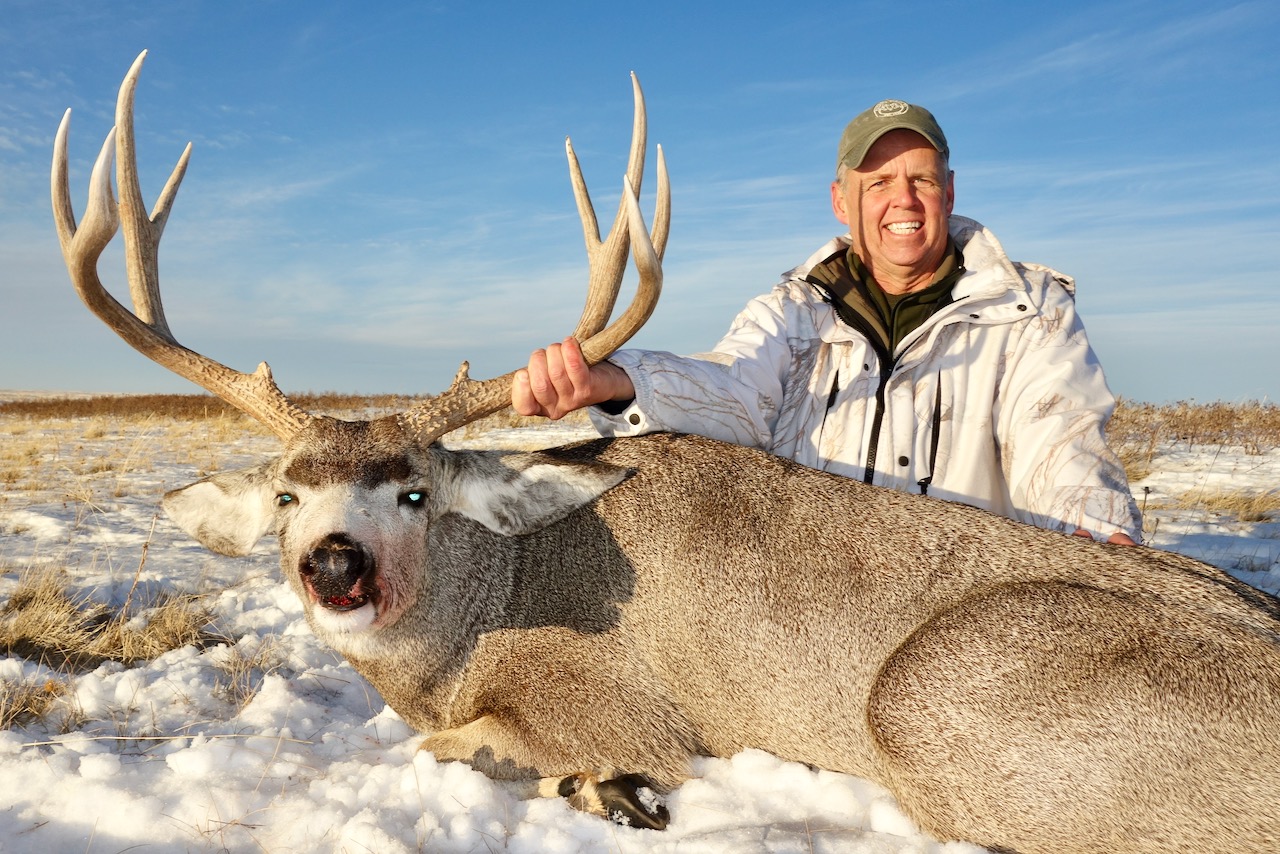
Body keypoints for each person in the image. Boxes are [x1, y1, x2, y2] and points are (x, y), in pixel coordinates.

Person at [513, 99, 1141, 545]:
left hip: (960, 607)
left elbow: (1060, 441)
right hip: (815, 606)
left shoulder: (1028, 313)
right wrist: (618, 381)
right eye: (878, 183)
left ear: (949, 192)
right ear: (842, 200)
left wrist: (1096, 530)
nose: (904, 199)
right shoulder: (794, 312)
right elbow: (730, 387)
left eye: (921, 178)